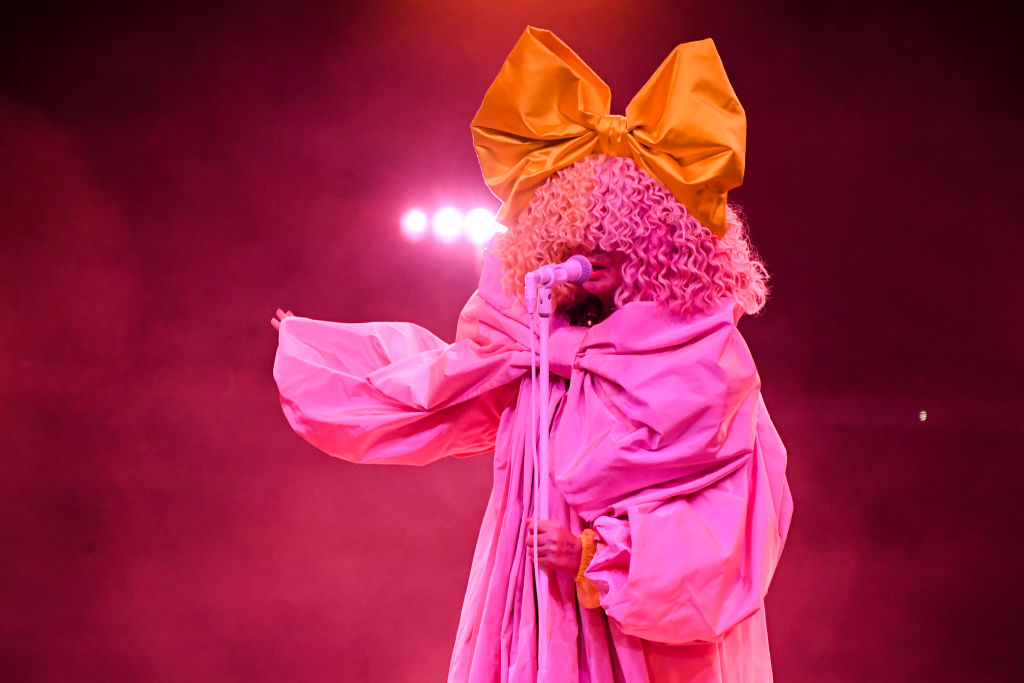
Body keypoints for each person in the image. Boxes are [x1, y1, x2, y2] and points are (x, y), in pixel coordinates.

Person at [273, 27, 792, 683]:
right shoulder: (531, 347)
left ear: (662, 243)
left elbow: (735, 521)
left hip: (638, 637)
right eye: (581, 229)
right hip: (537, 614)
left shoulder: (706, 363)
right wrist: (328, 361)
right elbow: (445, 388)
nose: (594, 247)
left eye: (619, 232)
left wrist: (596, 554)